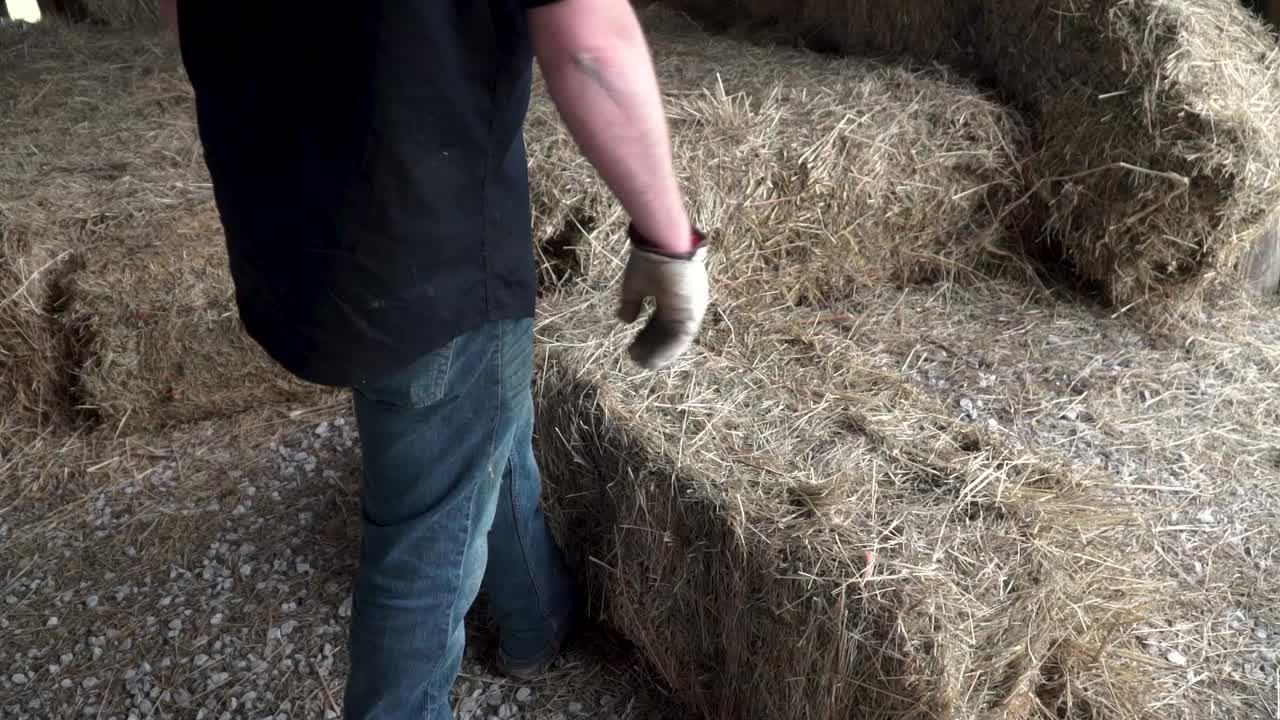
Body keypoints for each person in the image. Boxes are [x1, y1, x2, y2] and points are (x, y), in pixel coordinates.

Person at [163, 0, 709, 718]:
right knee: (422, 541)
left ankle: (538, 620)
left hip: (298, 229)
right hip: (429, 250)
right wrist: (670, 241)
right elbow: (591, 45)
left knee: (476, 423)